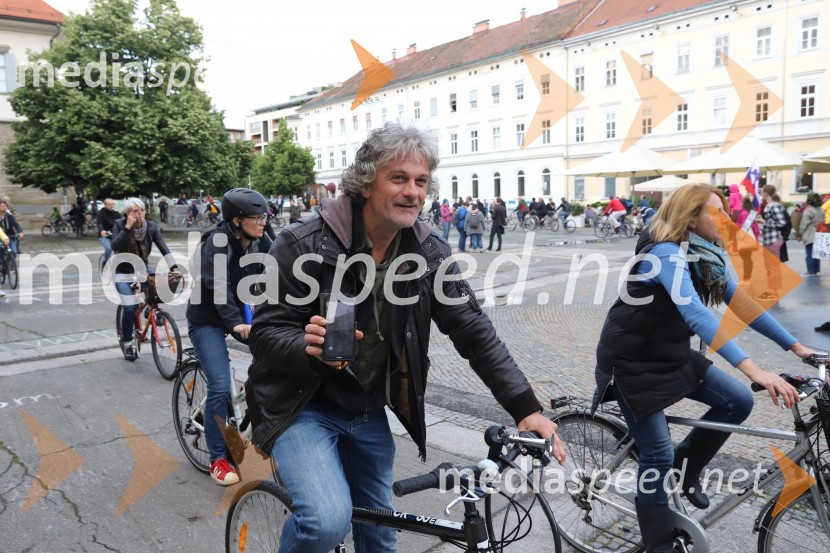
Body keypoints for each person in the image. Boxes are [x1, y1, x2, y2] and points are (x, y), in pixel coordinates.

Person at [246, 123, 563, 553]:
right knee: (325, 522)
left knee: (381, 532)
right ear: (365, 184)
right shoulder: (303, 243)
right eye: (398, 178)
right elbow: (265, 334)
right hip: (300, 404)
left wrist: (525, 409)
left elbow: (473, 330)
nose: (412, 192)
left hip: (366, 405)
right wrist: (308, 348)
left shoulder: (428, 251)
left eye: (420, 181)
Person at [592, 183, 810, 552]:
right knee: (657, 455)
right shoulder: (665, 254)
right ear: (691, 220)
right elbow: (696, 314)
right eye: (717, 212)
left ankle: (685, 468)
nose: (727, 220)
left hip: (670, 354)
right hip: (632, 361)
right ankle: (658, 543)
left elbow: (743, 304)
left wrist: (797, 347)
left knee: (738, 400)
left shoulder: (704, 256)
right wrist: (755, 370)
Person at [186, 188, 272, 486]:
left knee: (278, 359)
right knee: (221, 386)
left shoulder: (261, 239)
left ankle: (248, 418)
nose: (263, 222)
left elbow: (282, 266)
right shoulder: (217, 243)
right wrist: (235, 323)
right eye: (256, 217)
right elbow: (218, 286)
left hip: (241, 315)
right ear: (236, 221)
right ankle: (218, 459)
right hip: (208, 319)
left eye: (264, 216)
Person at [110, 198, 177, 361]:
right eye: (135, 211)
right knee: (129, 306)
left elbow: (163, 247)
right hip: (122, 271)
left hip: (141, 268)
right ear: (127, 213)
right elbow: (115, 246)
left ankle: (150, 308)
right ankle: (128, 343)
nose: (139, 214)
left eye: (141, 210)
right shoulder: (119, 224)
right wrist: (127, 228)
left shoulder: (151, 227)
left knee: (160, 285)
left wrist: (174, 267)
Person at [760, 185, 787, 300]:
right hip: (769, 239)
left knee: (772, 267)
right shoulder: (770, 205)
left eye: (762, 192)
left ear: (766, 193)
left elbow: (782, 222)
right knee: (771, 266)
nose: (761, 194)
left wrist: (764, 222)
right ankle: (772, 290)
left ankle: (773, 292)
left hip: (773, 239)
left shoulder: (774, 206)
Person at [733, 195, 760, 282]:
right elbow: (756, 229)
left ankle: (746, 278)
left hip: (745, 239)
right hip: (750, 239)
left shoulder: (744, 213)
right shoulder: (751, 213)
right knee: (747, 259)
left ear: (743, 203)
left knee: (746, 259)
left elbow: (744, 226)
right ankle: (747, 277)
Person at [797, 193, 823, 276]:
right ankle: (816, 269)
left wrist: (800, 233)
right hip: (820, 233)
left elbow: (803, 224)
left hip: (810, 234)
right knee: (816, 253)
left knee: (809, 252)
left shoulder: (808, 211)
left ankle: (810, 270)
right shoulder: (821, 210)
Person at [96, 198, 119, 268]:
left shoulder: (116, 214)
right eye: (110, 204)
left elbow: (122, 222)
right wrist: (102, 230)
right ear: (105, 205)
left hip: (114, 235)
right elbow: (99, 223)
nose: (112, 206)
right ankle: (105, 262)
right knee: (109, 249)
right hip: (105, 236)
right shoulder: (101, 213)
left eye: (113, 204)